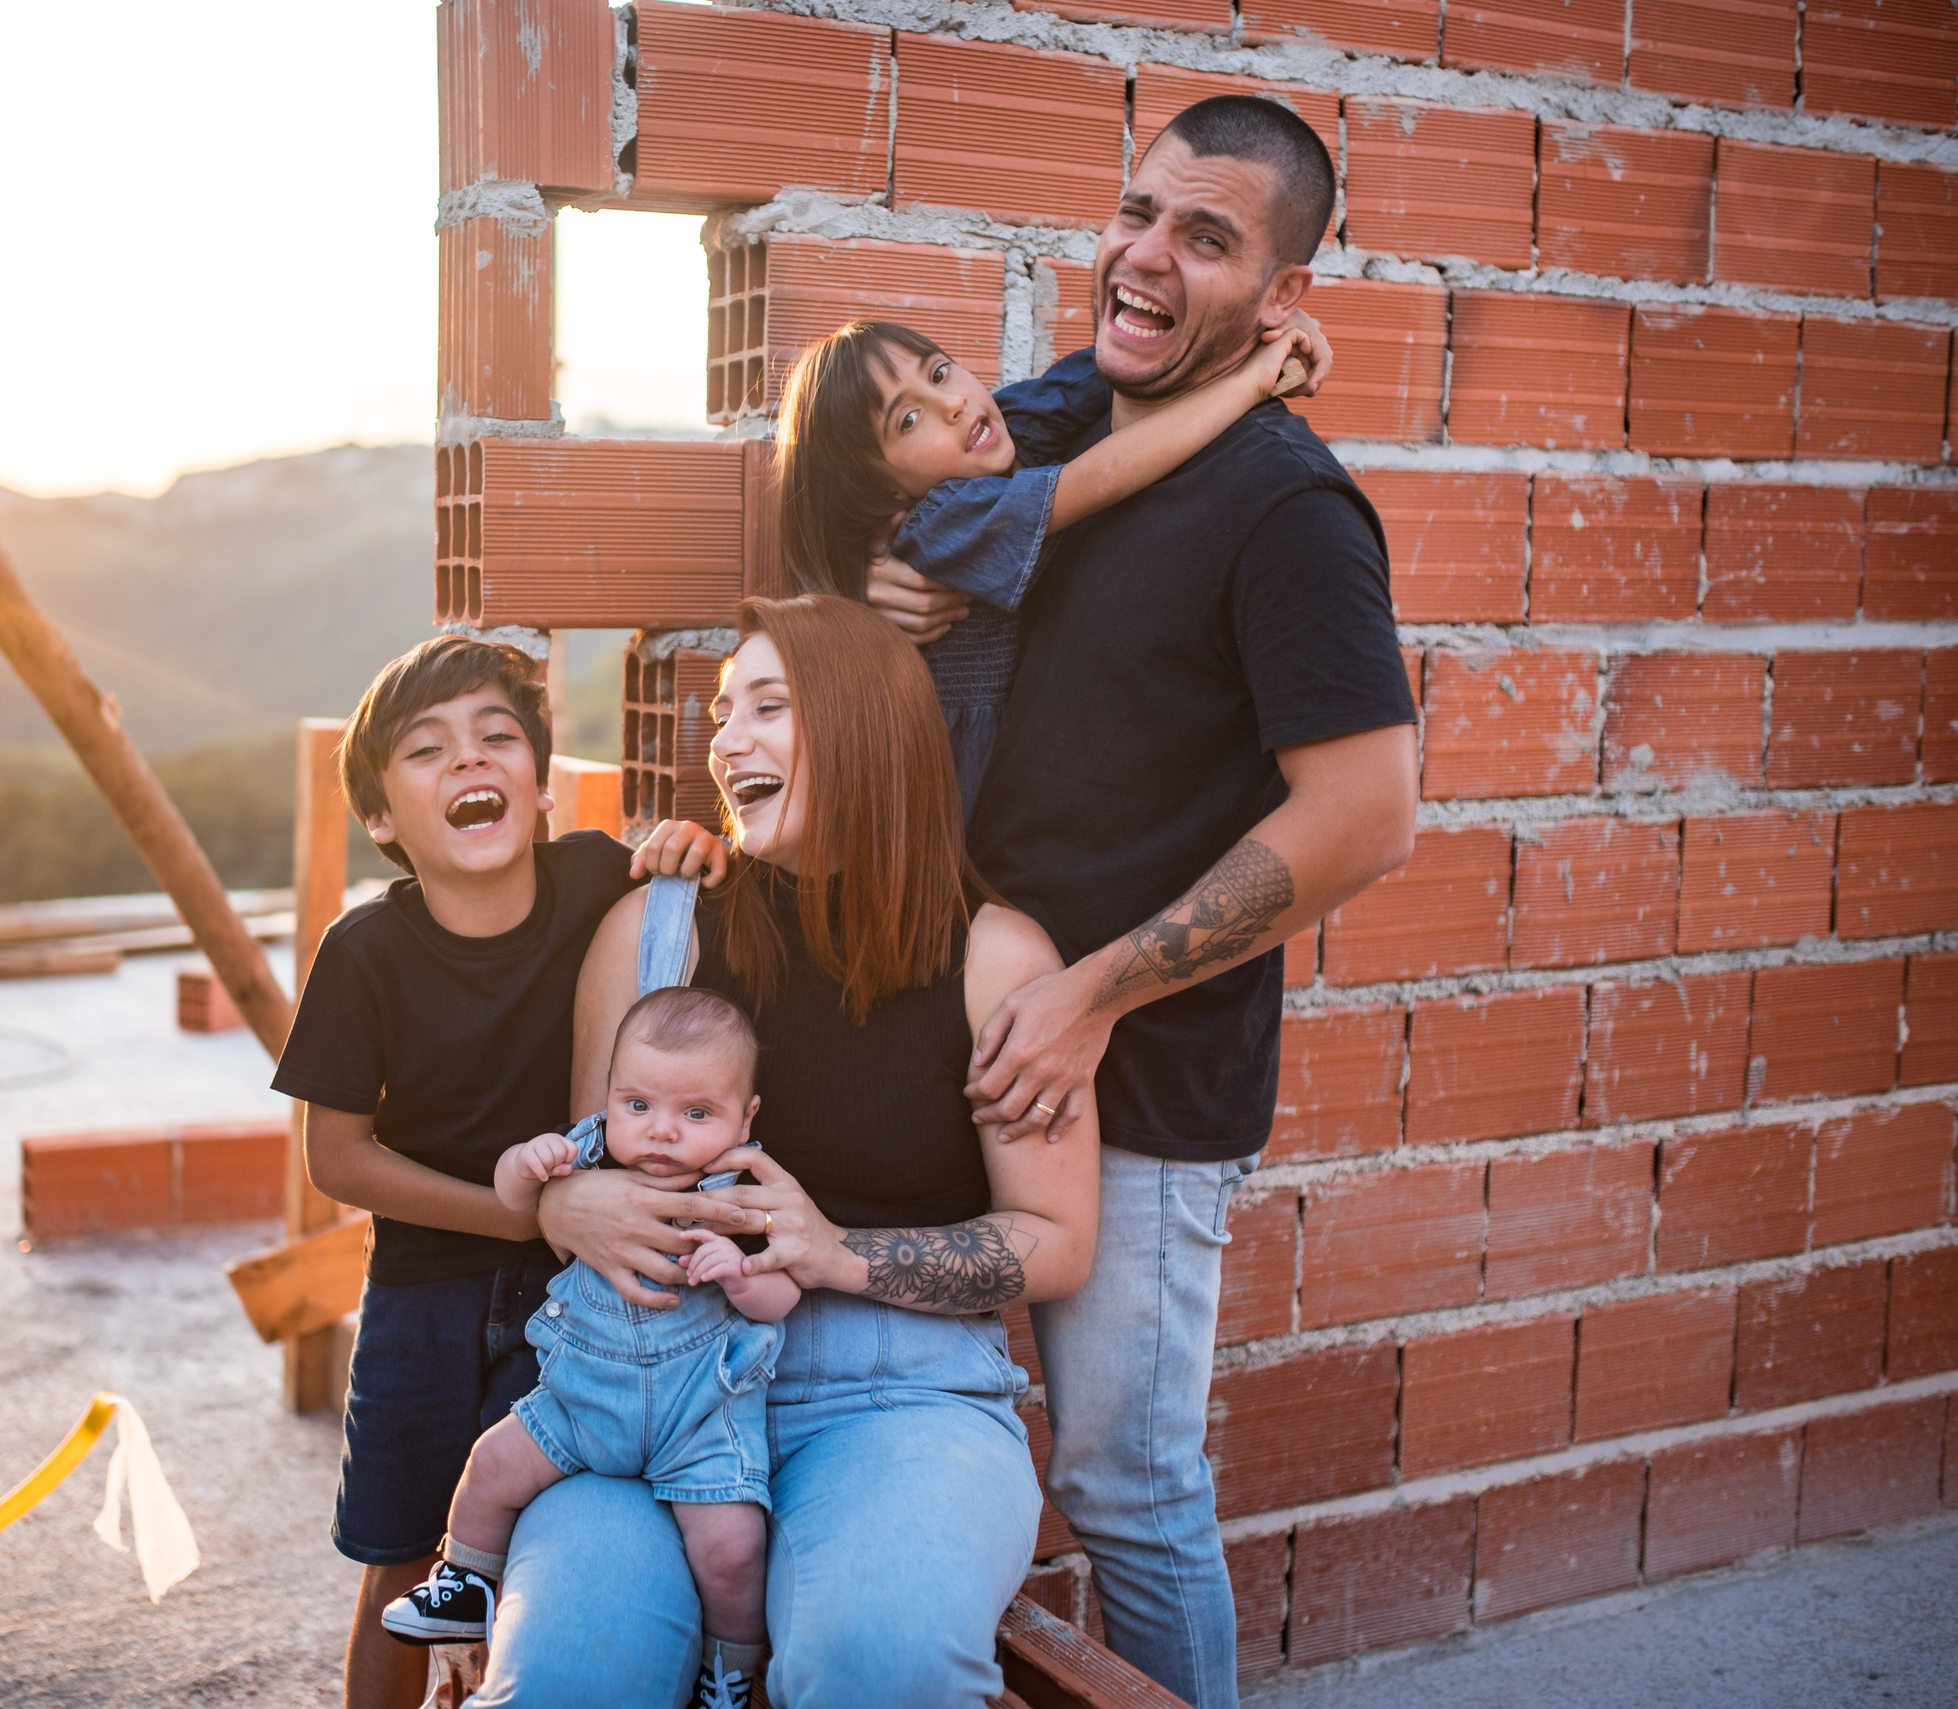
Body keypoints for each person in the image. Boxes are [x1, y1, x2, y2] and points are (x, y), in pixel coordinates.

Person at [869, 97, 1421, 1708]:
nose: (1147, 256)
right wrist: (881, 577)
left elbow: (1368, 813)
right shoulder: (1046, 423)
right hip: (956, 1041)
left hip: (1142, 1084)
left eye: (1207, 237)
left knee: (1124, 1489)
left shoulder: (1289, 507)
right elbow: (887, 487)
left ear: (1282, 295)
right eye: (1137, 213)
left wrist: (1096, 991)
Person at [472, 595, 1104, 1709]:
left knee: (878, 1665)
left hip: (894, 1396)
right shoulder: (657, 931)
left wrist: (834, 1251)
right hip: (638, 1387)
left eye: (768, 705)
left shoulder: (997, 955)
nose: (726, 741)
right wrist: (561, 1208)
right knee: (562, 1679)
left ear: (868, 726)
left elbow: (1055, 1242)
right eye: (724, 711)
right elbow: (585, 1175)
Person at [266, 635, 739, 1709]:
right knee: (400, 1557)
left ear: (534, 783)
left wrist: (689, 840)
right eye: (427, 750)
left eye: (496, 738)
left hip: (570, 1302)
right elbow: (338, 1156)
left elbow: (684, 869)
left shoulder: (590, 874)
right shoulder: (362, 953)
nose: (469, 761)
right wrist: (520, 1216)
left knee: (523, 1544)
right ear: (382, 816)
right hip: (424, 1292)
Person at [382, 986, 797, 1707]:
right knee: (491, 1463)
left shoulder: (746, 1188)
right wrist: (528, 1159)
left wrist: (740, 1275)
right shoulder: (591, 1148)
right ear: (610, 1094)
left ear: (746, 1114)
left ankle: (730, 1672)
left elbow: (784, 1293)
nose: (661, 1131)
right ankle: (467, 1581)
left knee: (734, 1550)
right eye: (638, 1104)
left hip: (697, 1423)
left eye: (696, 1113)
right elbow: (514, 1196)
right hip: (582, 1403)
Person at [773, 309, 1327, 813]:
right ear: (884, 493)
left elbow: (1105, 368)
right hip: (973, 801)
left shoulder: (1004, 424)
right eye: (908, 421)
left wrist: (1258, 326)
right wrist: (1246, 384)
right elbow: (1104, 476)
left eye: (939, 373)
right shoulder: (939, 521)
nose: (952, 404)